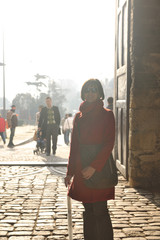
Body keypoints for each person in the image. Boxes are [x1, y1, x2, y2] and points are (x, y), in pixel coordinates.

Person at [65, 79, 115, 240]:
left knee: (100, 210)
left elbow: (109, 143)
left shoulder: (107, 115)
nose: (90, 92)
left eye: (94, 89)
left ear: (100, 93)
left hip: (100, 167)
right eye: (87, 89)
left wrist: (94, 167)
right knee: (88, 211)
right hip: (81, 167)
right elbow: (75, 146)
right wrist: (70, 172)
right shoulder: (78, 117)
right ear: (83, 93)